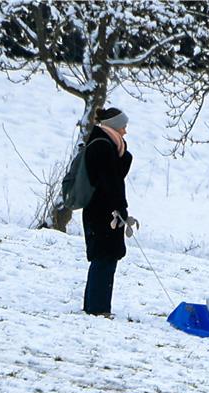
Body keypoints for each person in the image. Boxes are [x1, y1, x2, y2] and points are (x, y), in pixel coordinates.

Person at [82, 106, 135, 316]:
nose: (125, 131)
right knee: (103, 257)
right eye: (123, 127)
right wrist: (119, 207)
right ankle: (97, 308)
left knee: (106, 257)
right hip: (103, 212)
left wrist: (124, 154)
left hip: (105, 211)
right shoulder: (102, 147)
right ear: (114, 126)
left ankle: (96, 306)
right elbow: (108, 182)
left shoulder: (108, 145)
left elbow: (115, 175)